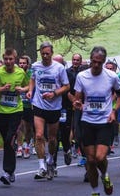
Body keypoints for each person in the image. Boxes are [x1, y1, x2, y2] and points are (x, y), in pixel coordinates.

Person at [73, 46, 120, 196]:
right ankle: (95, 191)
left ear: (103, 62)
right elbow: (78, 97)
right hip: (87, 121)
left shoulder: (111, 76)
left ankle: (105, 175)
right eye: (94, 62)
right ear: (90, 60)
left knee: (100, 157)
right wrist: (77, 103)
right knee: (90, 160)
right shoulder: (82, 76)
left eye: (99, 63)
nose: (96, 65)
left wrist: (114, 111)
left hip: (104, 121)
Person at [26, 41, 70, 180]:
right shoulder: (35, 66)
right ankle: (41, 166)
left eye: (47, 53)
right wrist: (30, 91)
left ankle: (51, 160)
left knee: (52, 138)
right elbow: (32, 79)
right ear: (40, 53)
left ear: (51, 53)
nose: (45, 56)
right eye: (43, 53)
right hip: (39, 105)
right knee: (39, 135)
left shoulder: (59, 68)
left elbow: (67, 86)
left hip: (54, 107)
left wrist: (54, 94)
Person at [0, 48, 29, 186]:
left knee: (9, 139)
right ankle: (11, 170)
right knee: (7, 141)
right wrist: (1, 90)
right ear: (3, 59)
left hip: (16, 111)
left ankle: (7, 171)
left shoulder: (21, 72)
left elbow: (28, 86)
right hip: (1, 111)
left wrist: (23, 90)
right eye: (6, 59)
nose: (8, 62)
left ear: (15, 59)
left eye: (11, 59)